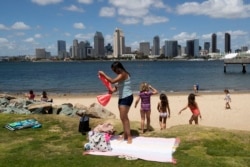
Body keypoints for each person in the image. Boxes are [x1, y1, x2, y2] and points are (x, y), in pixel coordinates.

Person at [98, 61, 133, 144]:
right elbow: (116, 87)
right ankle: (125, 134)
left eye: (114, 70)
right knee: (122, 117)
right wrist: (110, 91)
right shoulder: (120, 76)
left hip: (127, 97)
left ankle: (129, 136)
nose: (114, 71)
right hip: (121, 97)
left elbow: (112, 81)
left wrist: (103, 74)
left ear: (119, 68)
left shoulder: (123, 74)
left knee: (124, 117)